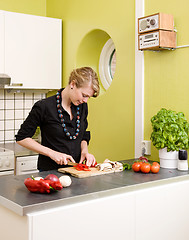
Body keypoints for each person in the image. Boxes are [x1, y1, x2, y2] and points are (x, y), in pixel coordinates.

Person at [16, 67, 100, 171]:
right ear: (73, 84)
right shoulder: (44, 106)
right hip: (50, 172)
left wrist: (85, 152)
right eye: (84, 95)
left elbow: (83, 135)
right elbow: (22, 138)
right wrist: (52, 153)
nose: (85, 100)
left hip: (76, 170)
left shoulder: (82, 107)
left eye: (88, 97)